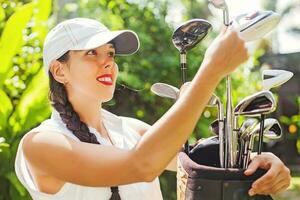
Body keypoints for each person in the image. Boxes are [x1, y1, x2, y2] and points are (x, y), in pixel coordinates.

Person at [14, 18, 291, 200]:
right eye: (91, 53)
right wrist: (211, 71)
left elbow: (200, 165)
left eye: (110, 53)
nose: (108, 62)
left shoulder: (132, 129)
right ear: (59, 71)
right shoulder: (40, 144)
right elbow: (141, 165)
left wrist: (262, 161)